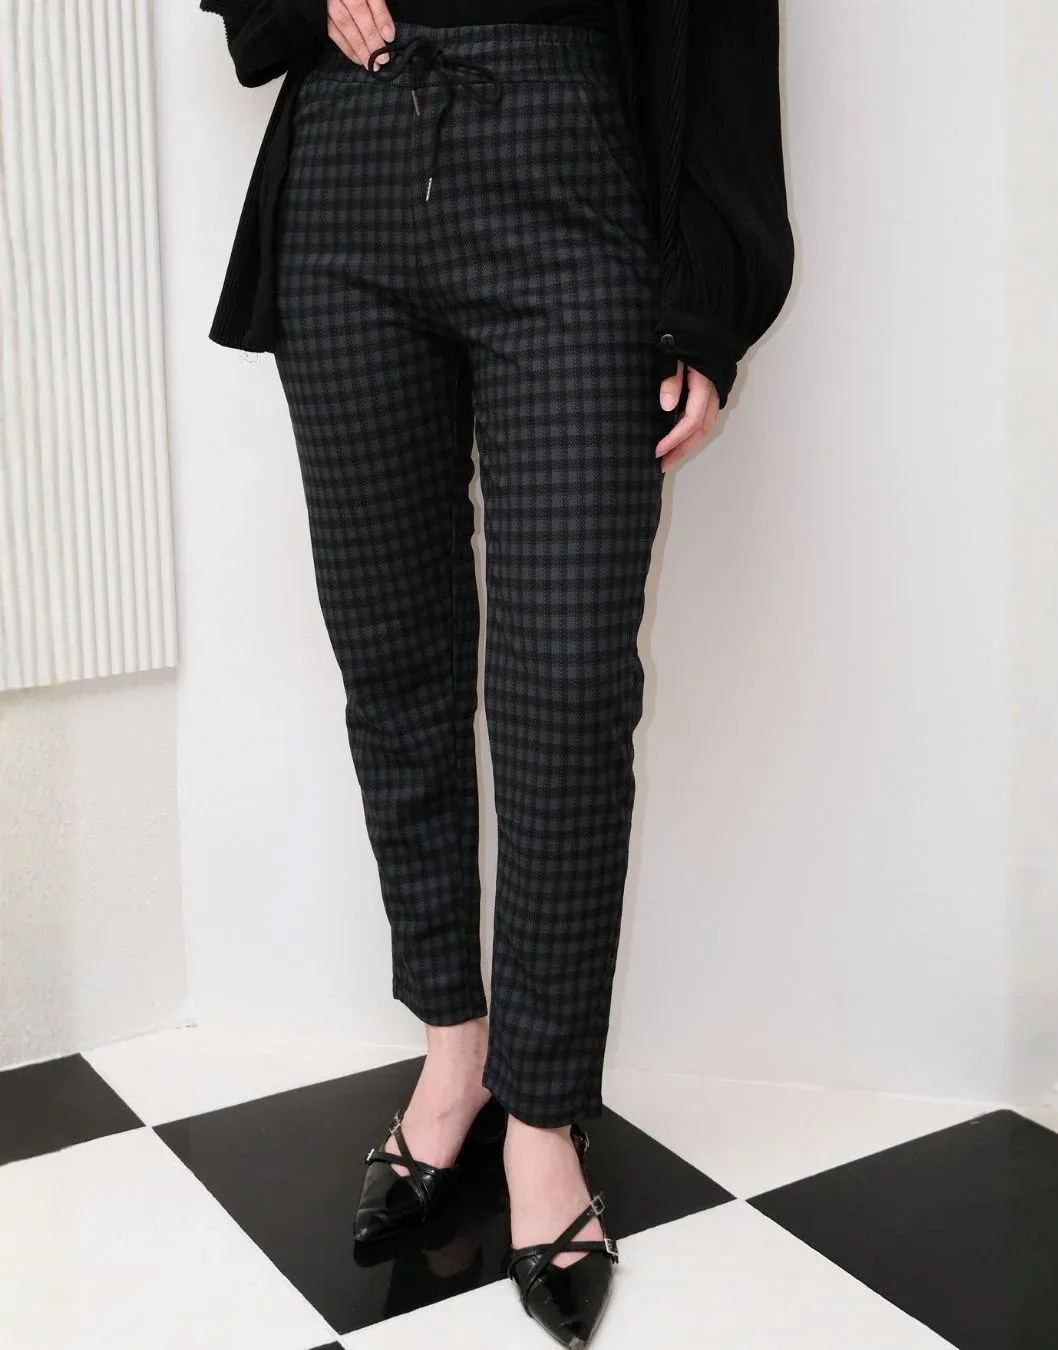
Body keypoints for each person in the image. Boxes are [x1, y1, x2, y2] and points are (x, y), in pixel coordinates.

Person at [199, 2, 794, 1344]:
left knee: (567, 688)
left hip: (568, 151)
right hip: (347, 166)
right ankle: (453, 1051)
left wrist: (709, 297)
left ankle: (544, 1113)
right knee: (393, 654)